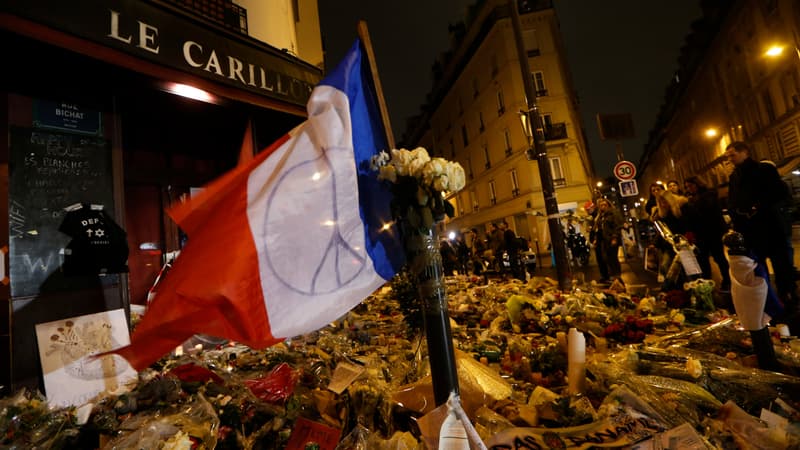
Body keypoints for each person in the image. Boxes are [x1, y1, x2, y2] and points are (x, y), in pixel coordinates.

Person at [726, 141, 798, 328]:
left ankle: (790, 301)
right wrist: (736, 216)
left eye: (732, 154)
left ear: (745, 152)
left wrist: (757, 206)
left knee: (782, 268)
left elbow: (778, 192)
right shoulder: (734, 176)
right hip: (749, 231)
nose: (729, 159)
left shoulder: (763, 169)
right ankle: (769, 304)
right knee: (759, 270)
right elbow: (732, 200)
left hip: (770, 228)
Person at [683, 176, 731, 291]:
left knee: (719, 257)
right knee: (703, 259)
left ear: (697, 184)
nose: (689, 189)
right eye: (687, 187)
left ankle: (727, 280)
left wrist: (692, 203)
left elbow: (707, 210)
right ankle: (707, 281)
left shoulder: (709, 194)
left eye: (690, 186)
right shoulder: (690, 198)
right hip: (700, 234)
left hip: (713, 231)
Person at [591, 198, 624, 283]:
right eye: (601, 205)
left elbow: (617, 226)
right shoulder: (601, 216)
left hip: (610, 239)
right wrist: (595, 239)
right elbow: (598, 228)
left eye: (604, 205)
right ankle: (611, 275)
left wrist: (614, 238)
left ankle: (617, 275)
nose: (603, 207)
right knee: (606, 258)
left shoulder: (613, 214)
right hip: (603, 240)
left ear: (608, 205)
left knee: (613, 258)